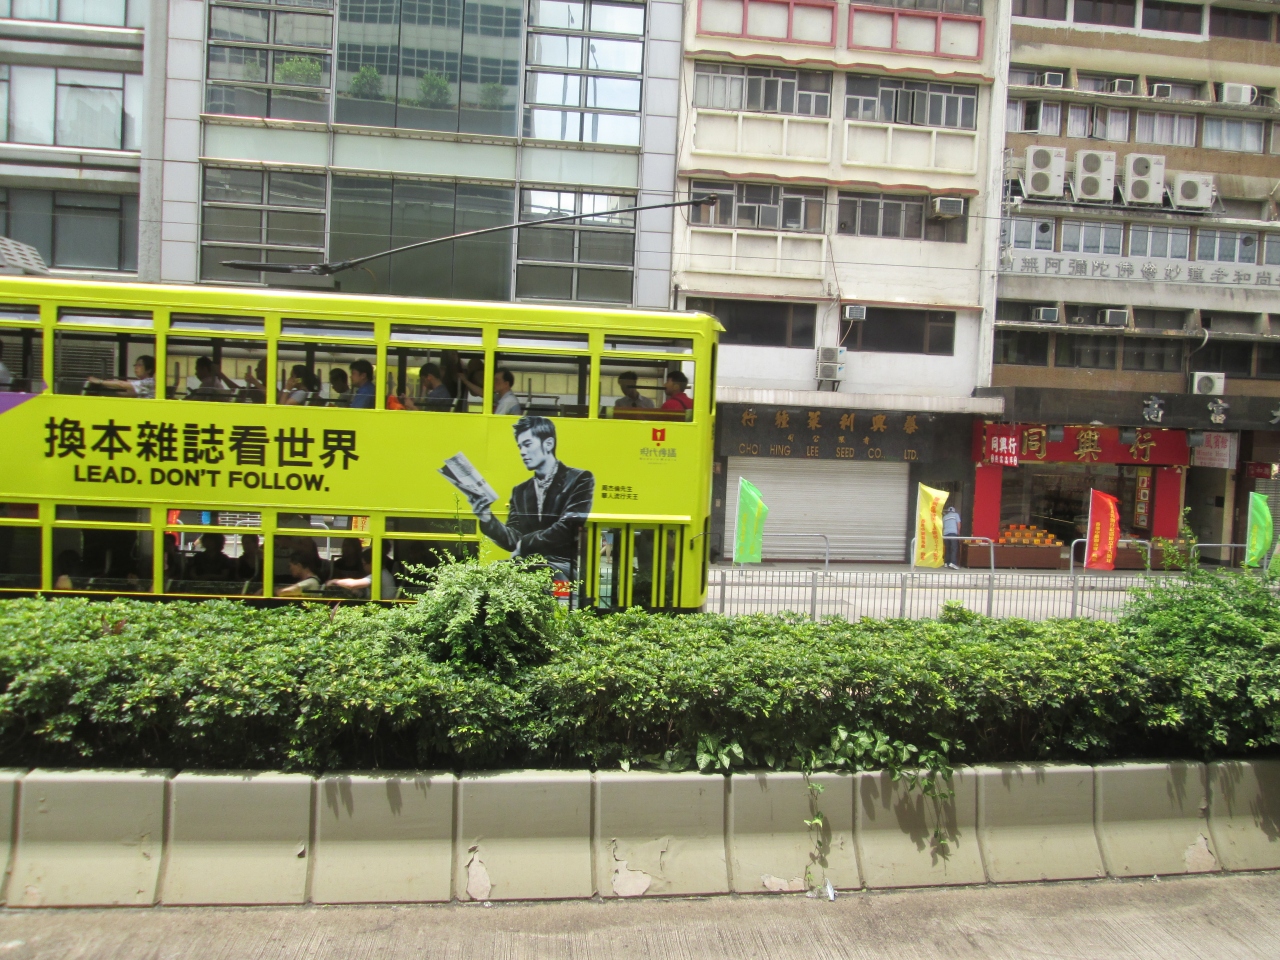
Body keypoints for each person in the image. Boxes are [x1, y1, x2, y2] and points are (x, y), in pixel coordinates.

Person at [464, 415, 595, 582]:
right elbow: (513, 539)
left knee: (547, 575)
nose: (522, 452)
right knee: (489, 574)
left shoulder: (579, 479)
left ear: (548, 444)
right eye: (520, 446)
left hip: (562, 565)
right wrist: (487, 519)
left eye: (527, 444)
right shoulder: (520, 491)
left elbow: (567, 527)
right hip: (528, 565)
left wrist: (524, 544)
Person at [325, 546, 397, 600]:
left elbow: (352, 584)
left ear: (372, 563)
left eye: (364, 564)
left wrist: (335, 581)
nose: (363, 567)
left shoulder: (378, 575)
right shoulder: (383, 573)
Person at [87, 355, 155, 398]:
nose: (136, 367)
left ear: (149, 370)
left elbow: (121, 384)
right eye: (135, 365)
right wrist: (107, 385)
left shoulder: (149, 382)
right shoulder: (143, 384)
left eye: (139, 365)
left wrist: (100, 381)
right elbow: (127, 393)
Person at [943, 504, 962, 569]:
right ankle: (953, 563)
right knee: (954, 548)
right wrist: (958, 532)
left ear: (948, 511)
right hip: (953, 533)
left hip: (945, 534)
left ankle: (946, 563)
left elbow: (943, 527)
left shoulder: (945, 517)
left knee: (947, 548)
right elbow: (958, 524)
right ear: (954, 511)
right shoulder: (956, 515)